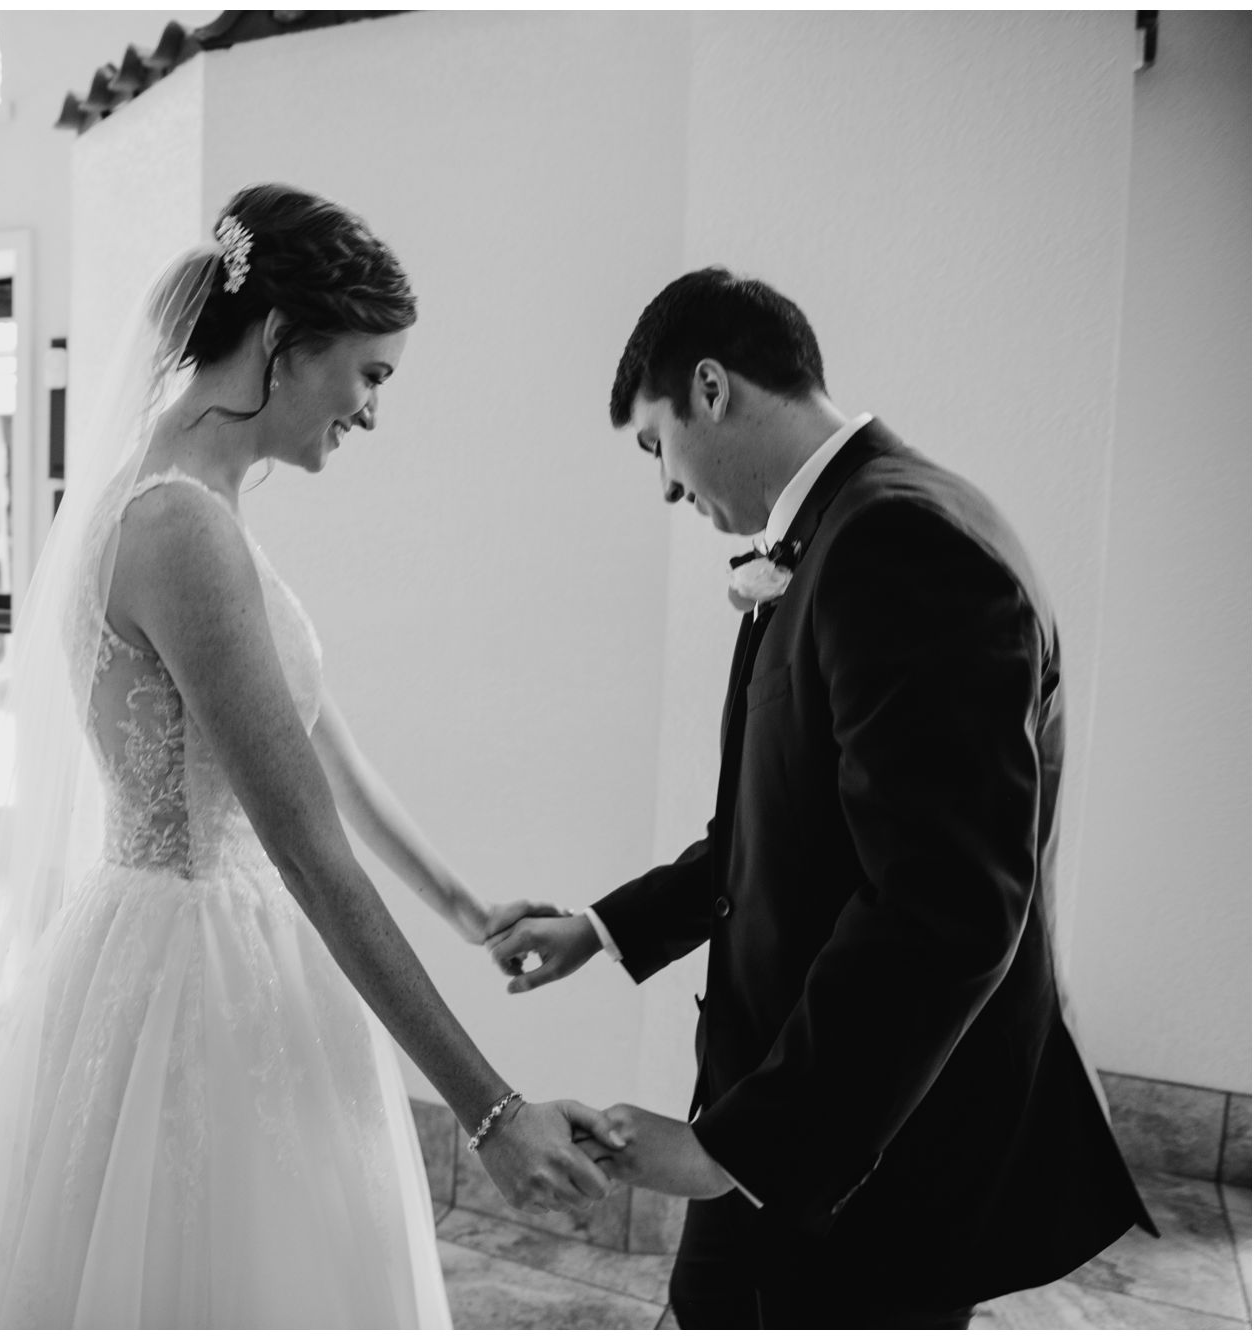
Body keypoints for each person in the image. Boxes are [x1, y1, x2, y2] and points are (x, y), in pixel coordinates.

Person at [0, 185, 620, 1328]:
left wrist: (465, 904)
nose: (373, 411)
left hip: (206, 930)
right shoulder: (178, 527)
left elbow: (316, 739)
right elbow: (301, 840)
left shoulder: (202, 496)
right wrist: (488, 1108)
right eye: (370, 374)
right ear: (284, 347)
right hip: (198, 962)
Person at [485, 268, 1155, 1328]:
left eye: (653, 443)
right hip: (788, 1114)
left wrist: (729, 1147)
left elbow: (944, 904)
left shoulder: (898, 541)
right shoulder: (843, 527)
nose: (663, 487)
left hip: (866, 1152)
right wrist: (601, 927)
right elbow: (782, 828)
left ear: (710, 387)